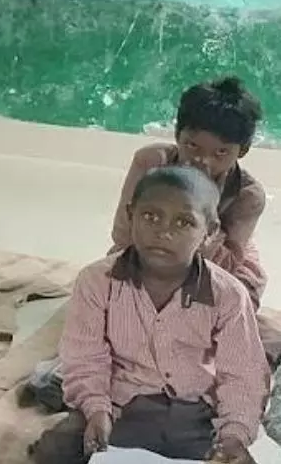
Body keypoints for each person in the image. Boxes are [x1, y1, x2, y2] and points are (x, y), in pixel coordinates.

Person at [32, 167, 269, 464]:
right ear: (131, 215)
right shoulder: (96, 281)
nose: (163, 231)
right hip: (119, 405)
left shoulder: (229, 295)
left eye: (184, 222)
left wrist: (234, 435)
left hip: (197, 414)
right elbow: (85, 356)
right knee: (54, 452)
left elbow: (242, 374)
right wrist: (95, 409)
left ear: (209, 232)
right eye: (150, 216)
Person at [108, 77, 274, 348]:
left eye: (220, 152)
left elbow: (229, 262)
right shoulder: (151, 162)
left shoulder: (247, 194)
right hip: (147, 249)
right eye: (192, 146)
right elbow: (124, 234)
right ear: (177, 135)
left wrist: (199, 206)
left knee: (232, 308)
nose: (202, 161)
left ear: (241, 151)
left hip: (215, 261)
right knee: (111, 292)